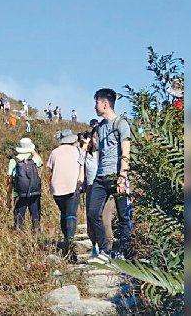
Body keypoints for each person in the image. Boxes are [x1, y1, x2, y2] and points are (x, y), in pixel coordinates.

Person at [87, 88, 133, 259]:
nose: (95, 106)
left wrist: (122, 176)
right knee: (92, 213)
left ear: (104, 104)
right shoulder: (100, 128)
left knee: (123, 216)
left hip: (117, 176)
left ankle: (123, 251)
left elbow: (126, 152)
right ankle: (105, 251)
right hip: (100, 176)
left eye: (96, 103)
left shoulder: (121, 123)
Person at [47, 129, 85, 261]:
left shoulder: (54, 152)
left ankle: (65, 240)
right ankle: (69, 242)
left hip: (57, 188)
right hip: (72, 186)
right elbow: (82, 166)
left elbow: (50, 168)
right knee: (71, 214)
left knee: (63, 213)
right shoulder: (77, 151)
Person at [81, 130, 116, 256]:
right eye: (93, 138)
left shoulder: (107, 154)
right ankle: (97, 247)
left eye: (96, 137)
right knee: (91, 219)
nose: (94, 140)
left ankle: (108, 249)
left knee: (105, 218)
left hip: (106, 187)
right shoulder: (87, 154)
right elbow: (82, 167)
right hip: (91, 188)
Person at [6, 138, 43, 232]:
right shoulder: (35, 159)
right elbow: (40, 161)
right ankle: (36, 235)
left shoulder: (13, 161)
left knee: (19, 217)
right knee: (35, 216)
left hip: (19, 193)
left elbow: (10, 181)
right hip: (34, 192)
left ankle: (19, 236)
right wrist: (32, 150)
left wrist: (8, 198)